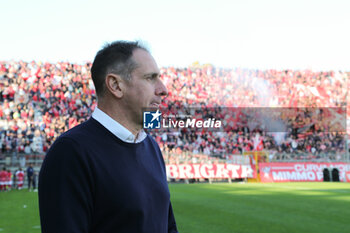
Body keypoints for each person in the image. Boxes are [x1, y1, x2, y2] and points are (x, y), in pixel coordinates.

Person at [39, 41, 178, 233]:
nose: (163, 89)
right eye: (150, 78)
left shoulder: (151, 146)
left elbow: (168, 225)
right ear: (115, 85)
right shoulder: (71, 152)